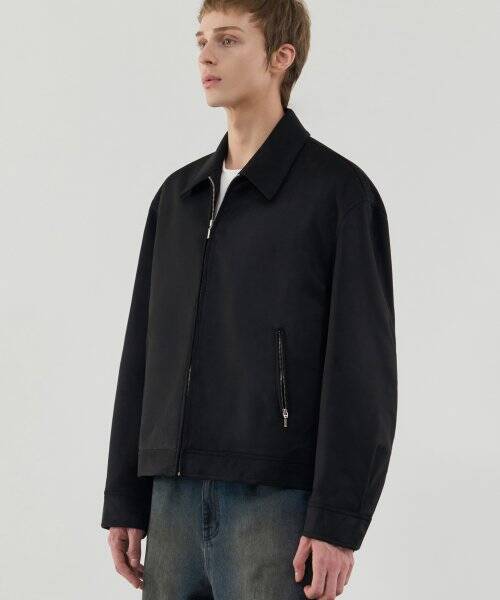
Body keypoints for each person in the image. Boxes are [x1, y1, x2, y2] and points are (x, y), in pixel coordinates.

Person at [101, 1, 398, 598]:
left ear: (281, 57)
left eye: (229, 40)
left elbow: (362, 370)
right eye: (201, 40)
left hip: (275, 504)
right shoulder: (178, 198)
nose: (206, 56)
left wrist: (337, 522)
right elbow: (143, 351)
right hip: (171, 501)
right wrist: (125, 497)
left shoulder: (337, 195)